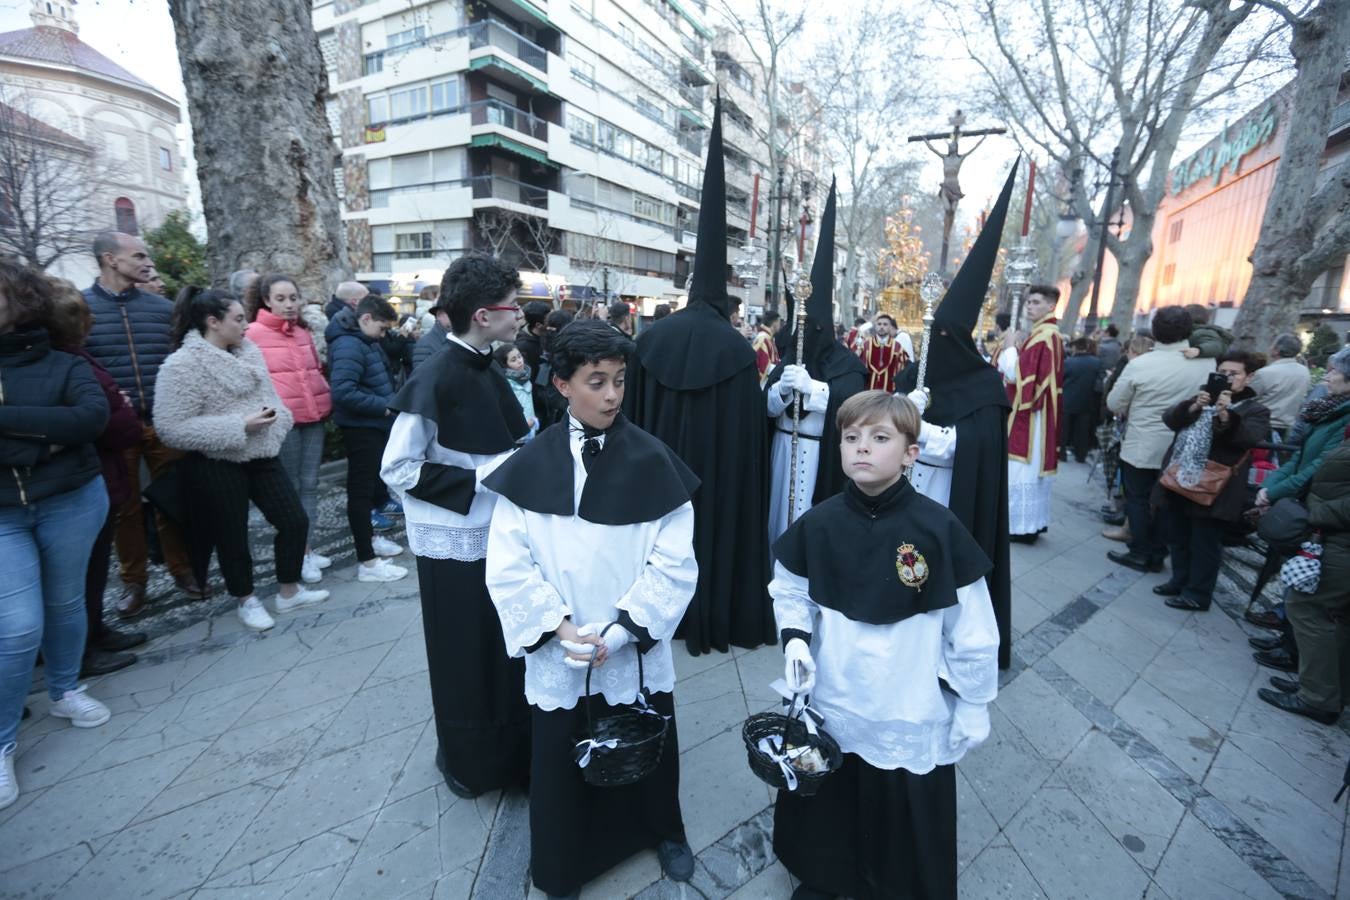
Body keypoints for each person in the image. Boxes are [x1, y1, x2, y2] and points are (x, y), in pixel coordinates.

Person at [484, 320, 699, 899]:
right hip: (564, 643)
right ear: (561, 384)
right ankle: (564, 859)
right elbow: (508, 563)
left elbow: (675, 562)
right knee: (561, 756)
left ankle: (664, 830)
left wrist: (626, 630)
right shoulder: (529, 467)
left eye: (619, 381)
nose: (610, 395)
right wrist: (558, 628)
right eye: (596, 381)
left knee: (649, 740)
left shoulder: (654, 461)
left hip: (628, 642)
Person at [770, 391, 998, 900]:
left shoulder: (938, 528)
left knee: (900, 802)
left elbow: (973, 626)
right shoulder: (821, 520)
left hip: (905, 694)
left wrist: (975, 701)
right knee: (831, 791)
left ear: (911, 453)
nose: (861, 449)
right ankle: (827, 876)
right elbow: (788, 588)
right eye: (851, 438)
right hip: (836, 688)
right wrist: (796, 642)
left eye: (879, 438)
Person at [623, 99, 775, 655]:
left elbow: (631, 416)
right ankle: (714, 612)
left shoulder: (651, 339)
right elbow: (748, 440)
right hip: (718, 484)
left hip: (657, 475)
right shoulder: (736, 349)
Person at [380, 253, 532, 798]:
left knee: (502, 654)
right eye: (514, 307)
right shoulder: (437, 373)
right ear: (485, 315)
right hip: (454, 547)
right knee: (467, 661)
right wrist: (481, 479)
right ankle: (473, 765)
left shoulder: (484, 360)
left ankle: (510, 758)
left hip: (497, 536)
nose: (521, 316)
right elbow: (395, 467)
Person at [1, 262, 115, 812]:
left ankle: (65, 689)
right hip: (4, 513)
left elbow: (88, 422)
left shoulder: (64, 363)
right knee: (19, 627)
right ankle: (1, 742)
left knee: (67, 603)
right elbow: (64, 429)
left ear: (23, 300)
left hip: (70, 500)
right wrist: (41, 438)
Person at [897, 161, 1016, 669]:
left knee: (942, 572)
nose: (935, 347)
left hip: (951, 496)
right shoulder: (914, 373)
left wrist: (919, 426)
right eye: (932, 338)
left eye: (944, 339)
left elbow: (971, 449)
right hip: (906, 492)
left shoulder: (985, 387)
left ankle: (946, 649)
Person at [153, 289, 329, 631]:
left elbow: (272, 397)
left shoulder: (249, 353)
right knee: (232, 536)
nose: (245, 324)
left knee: (294, 521)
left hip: (262, 453)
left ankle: (289, 591)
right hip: (217, 460)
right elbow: (171, 428)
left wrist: (279, 420)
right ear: (213, 322)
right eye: (238, 319)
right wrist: (238, 426)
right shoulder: (181, 365)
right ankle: (246, 599)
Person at [83, 231, 204, 617]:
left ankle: (183, 570)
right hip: (115, 430)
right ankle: (134, 582)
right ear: (110, 259)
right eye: (138, 255)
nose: (147, 261)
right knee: (124, 509)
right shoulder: (82, 311)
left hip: (164, 421)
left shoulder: (161, 309)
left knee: (172, 500)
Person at [45, 279, 148, 677]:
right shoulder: (73, 365)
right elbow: (121, 429)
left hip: (97, 477)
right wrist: (120, 405)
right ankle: (81, 650)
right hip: (90, 479)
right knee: (82, 574)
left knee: (91, 569)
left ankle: (94, 631)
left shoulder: (75, 360)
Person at [763, 180, 867, 546]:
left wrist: (817, 390)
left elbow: (853, 404)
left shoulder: (847, 362)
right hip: (780, 451)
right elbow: (766, 407)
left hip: (818, 454)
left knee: (807, 524)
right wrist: (780, 390)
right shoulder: (790, 357)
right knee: (777, 521)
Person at [1154, 351, 1269, 611]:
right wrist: (1194, 406)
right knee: (1179, 535)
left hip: (1215, 487)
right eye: (1223, 373)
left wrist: (1226, 415)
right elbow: (1170, 419)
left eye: (1234, 374)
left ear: (1249, 377)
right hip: (1181, 476)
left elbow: (1247, 438)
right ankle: (1178, 581)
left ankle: (1198, 593)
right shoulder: (1202, 397)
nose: (1227, 379)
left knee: (1205, 542)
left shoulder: (1256, 409)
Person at [1105, 307, 1214, 572]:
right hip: (1182, 444)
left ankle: (1140, 550)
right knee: (1168, 502)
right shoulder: (1208, 363)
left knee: (1138, 499)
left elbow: (1114, 402)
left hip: (1143, 442)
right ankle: (1158, 551)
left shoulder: (1141, 363)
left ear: (1155, 331)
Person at [244, 274, 335, 585]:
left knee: (310, 484)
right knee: (291, 489)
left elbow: (314, 371)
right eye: (280, 299)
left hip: (313, 416)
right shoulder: (252, 334)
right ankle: (298, 553)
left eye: (293, 297)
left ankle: (307, 550)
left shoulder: (302, 332)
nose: (288, 304)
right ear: (266, 300)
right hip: (282, 422)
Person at [1258, 430, 1350, 724]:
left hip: (1340, 540)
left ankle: (1318, 698)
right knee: (1337, 618)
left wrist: (1315, 513)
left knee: (1306, 607)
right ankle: (1326, 690)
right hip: (1334, 537)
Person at [326, 295, 408, 582]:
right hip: (362, 427)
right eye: (382, 328)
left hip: (373, 424)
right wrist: (383, 406)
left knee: (370, 487)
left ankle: (370, 541)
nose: (384, 335)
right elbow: (343, 391)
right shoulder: (349, 344)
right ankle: (368, 562)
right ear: (366, 319)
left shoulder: (363, 340)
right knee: (360, 492)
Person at [1001, 284, 1064, 542]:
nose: (1029, 306)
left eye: (1036, 302)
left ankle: (1021, 527)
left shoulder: (1043, 337)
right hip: (1039, 414)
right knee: (1028, 470)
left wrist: (1008, 348)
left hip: (1030, 414)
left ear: (1051, 306)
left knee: (1020, 469)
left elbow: (1017, 375)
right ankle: (1030, 525)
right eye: (1028, 302)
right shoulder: (1046, 334)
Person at [1249, 332, 1311, 439]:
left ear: (1276, 350)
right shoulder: (1304, 371)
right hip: (1287, 427)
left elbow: (1248, 398)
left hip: (1260, 425)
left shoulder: (1265, 372)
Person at [1060, 336, 1102, 463]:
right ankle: (1081, 455)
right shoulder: (1096, 362)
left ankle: (1061, 454)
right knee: (1082, 431)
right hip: (1086, 401)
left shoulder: (1068, 362)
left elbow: (1060, 379)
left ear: (1075, 347)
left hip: (1067, 400)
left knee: (1064, 430)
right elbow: (1099, 382)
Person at [494, 344, 539, 438]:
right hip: (517, 433)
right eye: (513, 360)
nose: (519, 361)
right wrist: (523, 424)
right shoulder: (505, 384)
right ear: (505, 365)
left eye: (519, 356)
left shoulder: (526, 376)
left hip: (531, 428)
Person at [857, 314, 909, 392]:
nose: (882, 327)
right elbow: (859, 367)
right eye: (879, 324)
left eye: (885, 324)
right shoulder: (866, 346)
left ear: (890, 327)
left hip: (889, 392)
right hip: (868, 391)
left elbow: (902, 371)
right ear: (875, 326)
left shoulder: (898, 348)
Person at [515, 299, 551, 374]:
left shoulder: (548, 336)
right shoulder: (522, 346)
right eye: (549, 319)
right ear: (538, 325)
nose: (553, 320)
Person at [414, 303, 452, 368]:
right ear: (439, 315)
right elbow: (421, 375)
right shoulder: (425, 343)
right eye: (452, 313)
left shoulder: (459, 337)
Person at [752, 310, 782, 385]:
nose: (780, 325)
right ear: (774, 323)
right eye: (779, 322)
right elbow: (763, 364)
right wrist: (779, 369)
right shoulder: (763, 338)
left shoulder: (769, 338)